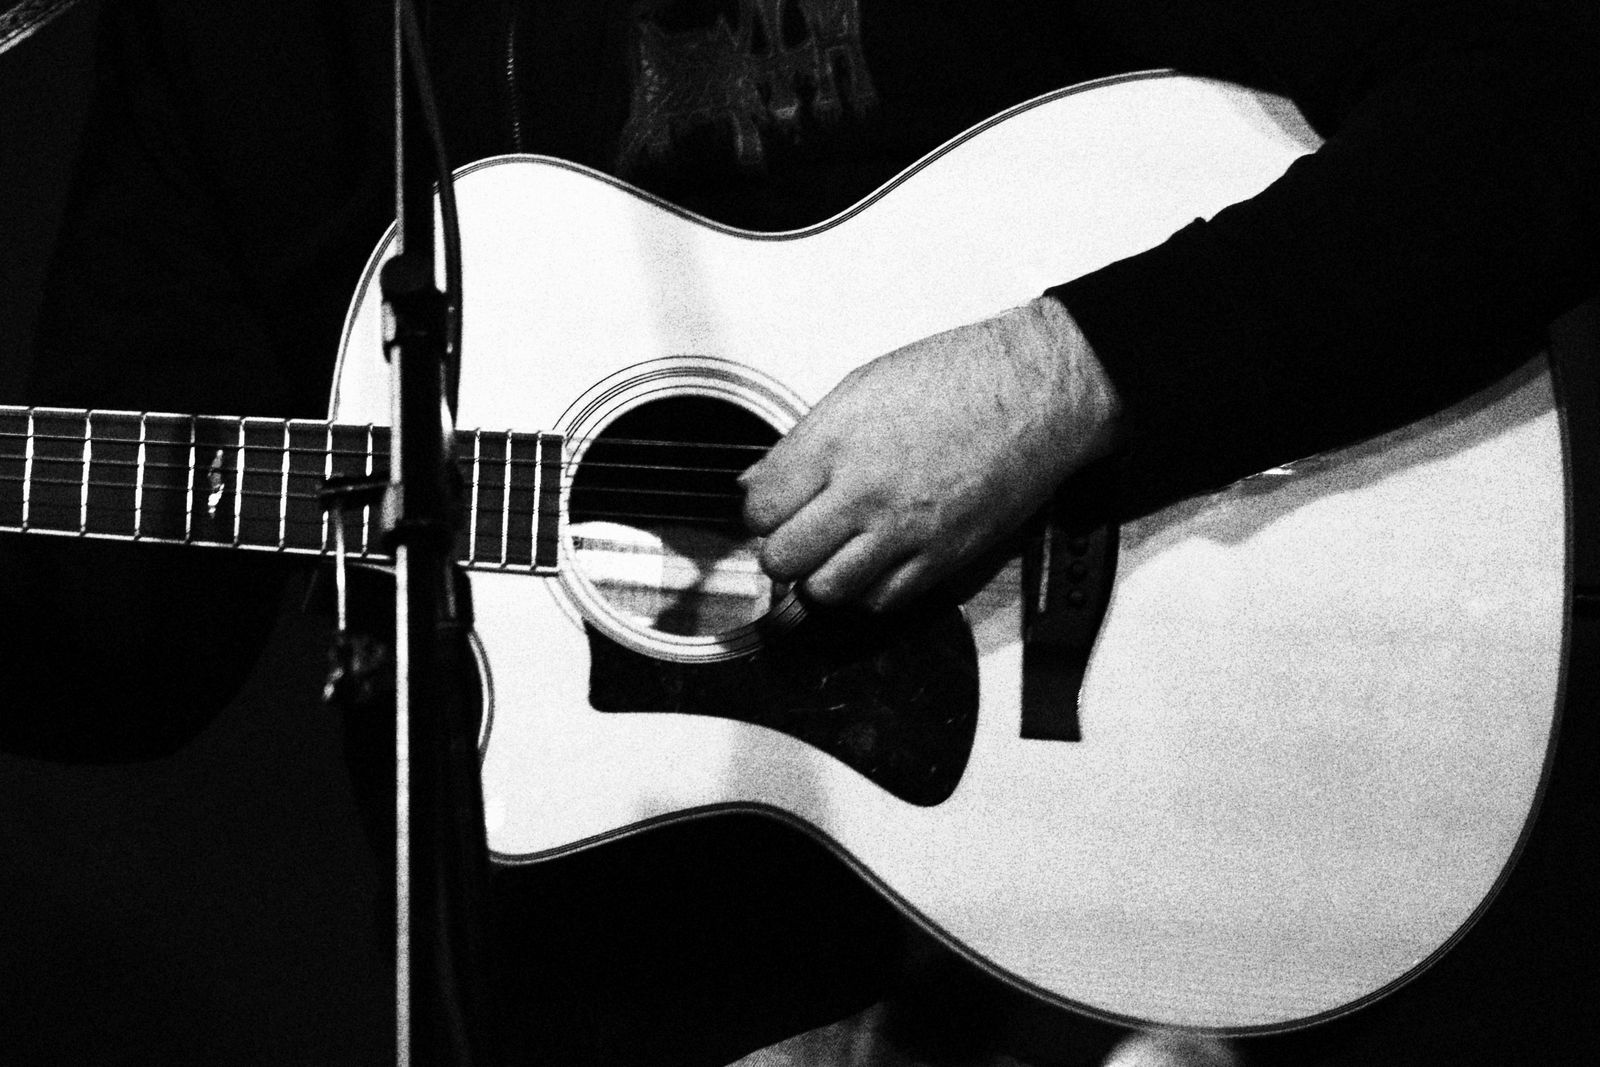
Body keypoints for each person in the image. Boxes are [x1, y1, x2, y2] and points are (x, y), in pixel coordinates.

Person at [2, 1, 1596, 1064]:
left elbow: (1542, 95)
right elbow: (127, 639)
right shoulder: (244, 32)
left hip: (1106, 955)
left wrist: (1066, 379)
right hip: (583, 1004)